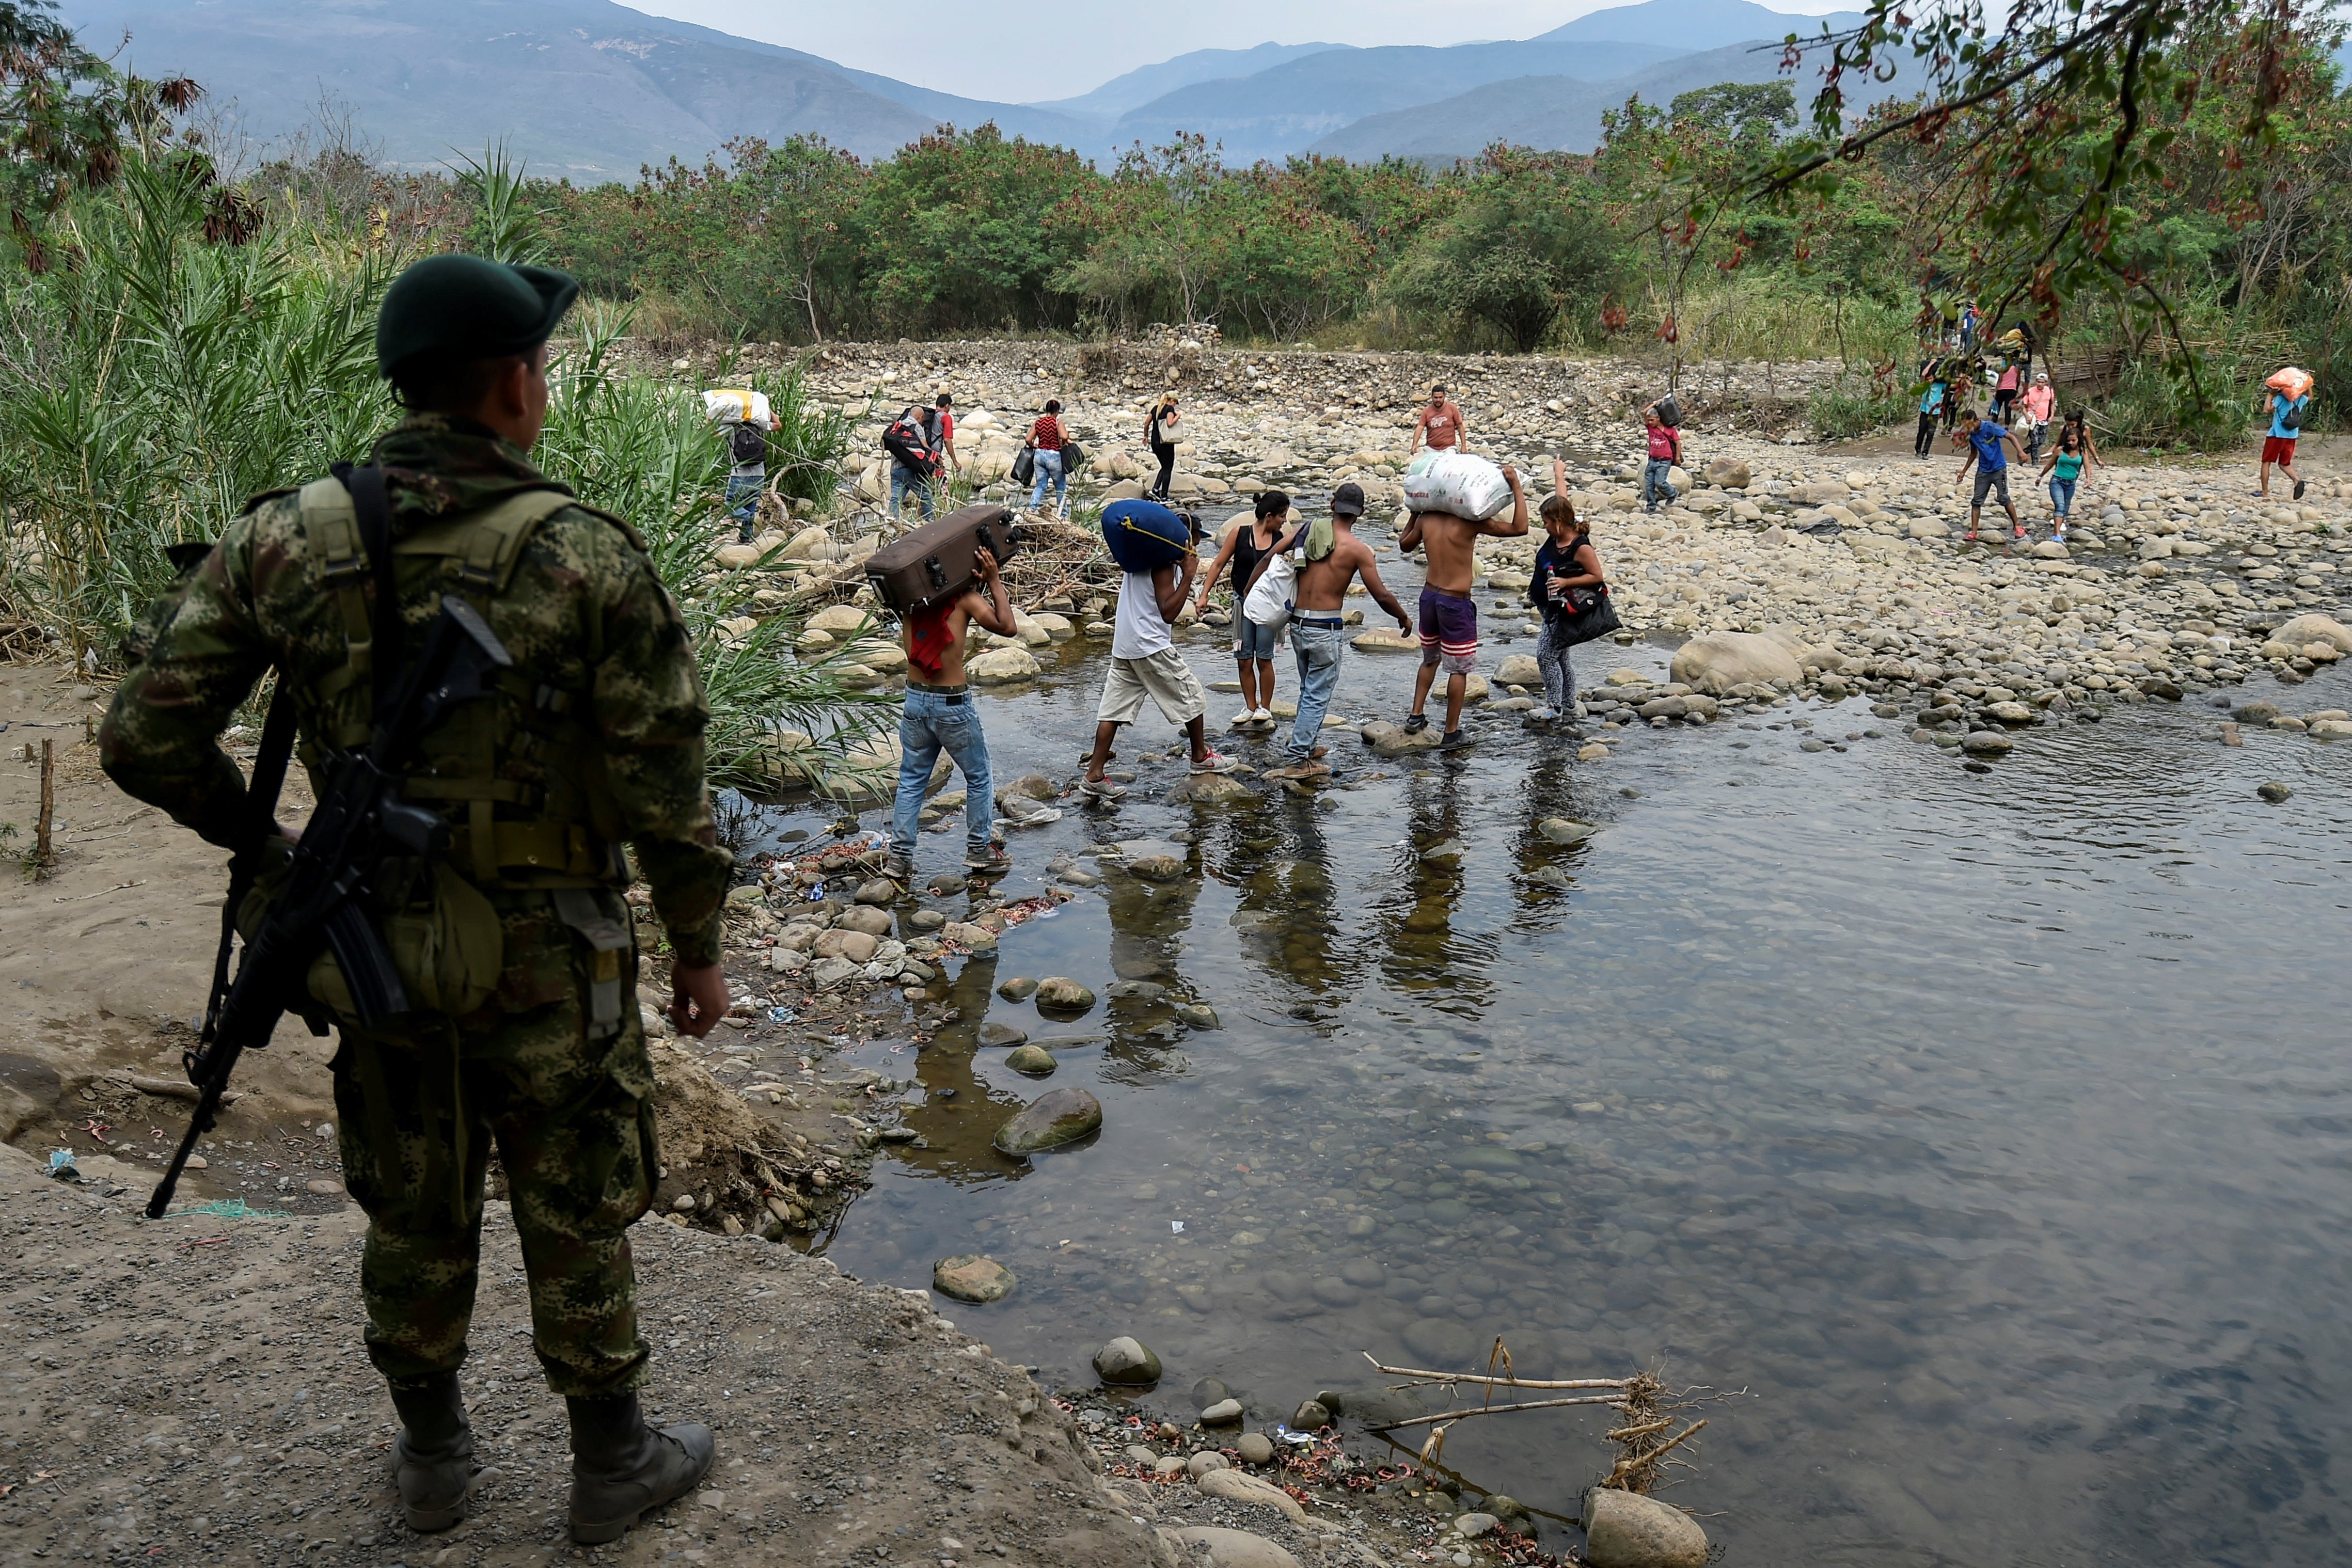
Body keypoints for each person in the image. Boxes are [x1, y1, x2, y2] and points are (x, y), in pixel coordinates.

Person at [98, 254, 726, 1545]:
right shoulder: (583, 552)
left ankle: (432, 1456)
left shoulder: (283, 539)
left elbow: (141, 739)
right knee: (573, 1186)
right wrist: (698, 951)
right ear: (512, 385)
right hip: (554, 945)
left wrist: (272, 853)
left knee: (413, 1184)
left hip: (371, 939)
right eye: (538, 372)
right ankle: (611, 1456)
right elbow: (665, 781)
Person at [1265, 482, 1411, 782]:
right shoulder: (1358, 550)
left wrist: (1249, 591)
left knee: (1309, 689)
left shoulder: (1309, 531)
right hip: (1325, 627)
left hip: (1298, 624)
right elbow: (1381, 595)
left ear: (1332, 505)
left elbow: (1272, 558)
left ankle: (1306, 745)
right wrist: (1404, 618)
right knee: (1318, 695)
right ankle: (1297, 760)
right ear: (1362, 513)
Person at [1079, 521, 1234, 798]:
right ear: (1184, 539)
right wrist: (1187, 575)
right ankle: (1200, 756)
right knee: (1192, 695)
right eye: (1196, 540)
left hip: (1125, 644)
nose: (1196, 547)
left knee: (1113, 711)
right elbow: (1168, 613)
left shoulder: (1138, 557)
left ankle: (1094, 774)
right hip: (1149, 644)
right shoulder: (1164, 564)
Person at [887, 548, 1016, 879]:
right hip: (952, 705)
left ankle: (899, 858)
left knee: (912, 781)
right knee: (979, 777)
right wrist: (995, 581)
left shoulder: (909, 601)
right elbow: (1008, 627)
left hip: (915, 701)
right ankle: (978, 849)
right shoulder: (964, 600)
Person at [1398, 464, 1529, 751]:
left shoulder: (1427, 519)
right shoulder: (1470, 521)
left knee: (1429, 659)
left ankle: (1415, 715)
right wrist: (1516, 486)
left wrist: (1414, 512)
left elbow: (1405, 546)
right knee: (1458, 670)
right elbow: (1521, 528)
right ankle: (1451, 732)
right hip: (1455, 602)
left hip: (1429, 597)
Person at [1191, 490, 1290, 728]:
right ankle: (1250, 707)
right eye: (1282, 516)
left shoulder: (1281, 539)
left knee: (1264, 658)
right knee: (1244, 659)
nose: (1285, 521)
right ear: (1269, 516)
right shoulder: (1240, 534)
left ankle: (1265, 708)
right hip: (1242, 603)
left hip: (1269, 608)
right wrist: (1204, 595)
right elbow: (1218, 564)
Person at [1525, 457, 1604, 727]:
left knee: (1546, 656)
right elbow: (1562, 499)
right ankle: (1570, 705)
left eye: (1547, 522)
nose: (1544, 527)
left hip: (1564, 608)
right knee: (1562, 656)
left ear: (1559, 522)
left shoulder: (1580, 546)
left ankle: (1554, 707)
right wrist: (1559, 473)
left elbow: (1597, 576)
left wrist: (1565, 583)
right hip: (1549, 606)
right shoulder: (1558, 535)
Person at [1954, 407, 2029, 543]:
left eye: (1970, 425)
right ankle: (1974, 532)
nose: (1968, 428)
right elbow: (1973, 453)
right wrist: (1963, 472)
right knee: (1976, 501)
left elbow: (2010, 436)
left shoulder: (1990, 428)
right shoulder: (1972, 435)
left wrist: (2021, 452)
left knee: (2003, 497)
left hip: (1998, 468)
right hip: (1983, 470)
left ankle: (2018, 526)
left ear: (1977, 421)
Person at [888, 398, 948, 524]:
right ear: (920, 417)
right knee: (925, 493)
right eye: (923, 419)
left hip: (894, 469)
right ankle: (929, 522)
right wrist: (937, 460)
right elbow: (925, 448)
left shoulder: (898, 426)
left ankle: (892, 521)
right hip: (908, 469)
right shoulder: (916, 426)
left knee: (896, 498)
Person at [722, 408, 774, 545]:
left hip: (739, 475)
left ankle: (747, 518)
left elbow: (711, 428)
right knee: (750, 504)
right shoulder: (760, 428)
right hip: (759, 475)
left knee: (731, 506)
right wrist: (768, 410)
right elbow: (778, 424)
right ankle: (746, 537)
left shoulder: (731, 429)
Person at [2036, 418, 2092, 541]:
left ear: (2078, 440)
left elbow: (2087, 466)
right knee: (2060, 506)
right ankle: (2057, 535)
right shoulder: (2060, 450)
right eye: (2069, 440)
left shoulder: (2082, 452)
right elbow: (2050, 465)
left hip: (2071, 484)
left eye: (2074, 440)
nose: (2071, 443)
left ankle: (2058, 531)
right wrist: (2040, 477)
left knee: (2065, 509)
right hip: (2057, 481)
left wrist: (2088, 479)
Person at [2260, 377, 2311, 499]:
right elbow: (2311, 398)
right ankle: (2297, 480)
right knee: (2284, 464)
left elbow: (2267, 410)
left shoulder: (2281, 399)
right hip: (2292, 436)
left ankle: (2265, 492)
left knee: (2266, 463)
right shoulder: (2301, 399)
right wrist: (2308, 385)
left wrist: (2270, 394)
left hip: (2277, 435)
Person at [1028, 399, 1069, 518]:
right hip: (1054, 456)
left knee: (1041, 485)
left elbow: (1028, 439)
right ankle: (1063, 515)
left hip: (1039, 455)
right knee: (1060, 487)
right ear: (1056, 411)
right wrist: (1066, 440)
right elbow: (1064, 436)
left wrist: (1033, 445)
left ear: (1047, 410)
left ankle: (1031, 509)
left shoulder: (1039, 422)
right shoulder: (1057, 422)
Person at [1638, 401, 1680, 511]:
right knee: (1649, 485)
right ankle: (1651, 506)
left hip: (1664, 461)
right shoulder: (1651, 428)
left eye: (1653, 420)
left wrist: (1677, 458)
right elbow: (1644, 413)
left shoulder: (1670, 430)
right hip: (1652, 460)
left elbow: (1677, 443)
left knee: (1660, 482)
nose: (1650, 422)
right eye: (1649, 420)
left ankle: (1673, 493)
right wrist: (1655, 404)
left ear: (1659, 418)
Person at [1409, 385, 1466, 457]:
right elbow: (1420, 427)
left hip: (1449, 448)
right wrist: (1415, 445)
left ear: (1444, 396)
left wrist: (1464, 446)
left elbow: (1460, 426)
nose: (1438, 400)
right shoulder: (1427, 411)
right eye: (1436, 398)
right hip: (1431, 448)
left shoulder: (1452, 409)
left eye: (1440, 397)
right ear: (1432, 397)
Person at [1145, 392, 1181, 501]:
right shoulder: (1169, 409)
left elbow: (1146, 423)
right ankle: (1164, 497)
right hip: (1166, 443)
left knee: (1164, 466)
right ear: (1172, 401)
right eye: (1175, 403)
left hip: (1155, 443)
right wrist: (1178, 416)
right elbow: (1170, 423)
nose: (1175, 405)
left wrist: (1145, 436)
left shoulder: (1156, 409)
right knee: (1168, 469)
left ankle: (1155, 490)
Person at [1914, 372, 1946, 459]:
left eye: (1931, 379)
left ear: (1934, 378)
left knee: (1931, 433)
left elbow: (1953, 385)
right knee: (1921, 432)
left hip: (1935, 413)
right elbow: (1923, 376)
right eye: (1928, 379)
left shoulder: (1940, 386)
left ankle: (1926, 452)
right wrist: (1932, 363)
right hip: (1925, 412)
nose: (1929, 381)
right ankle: (1918, 449)